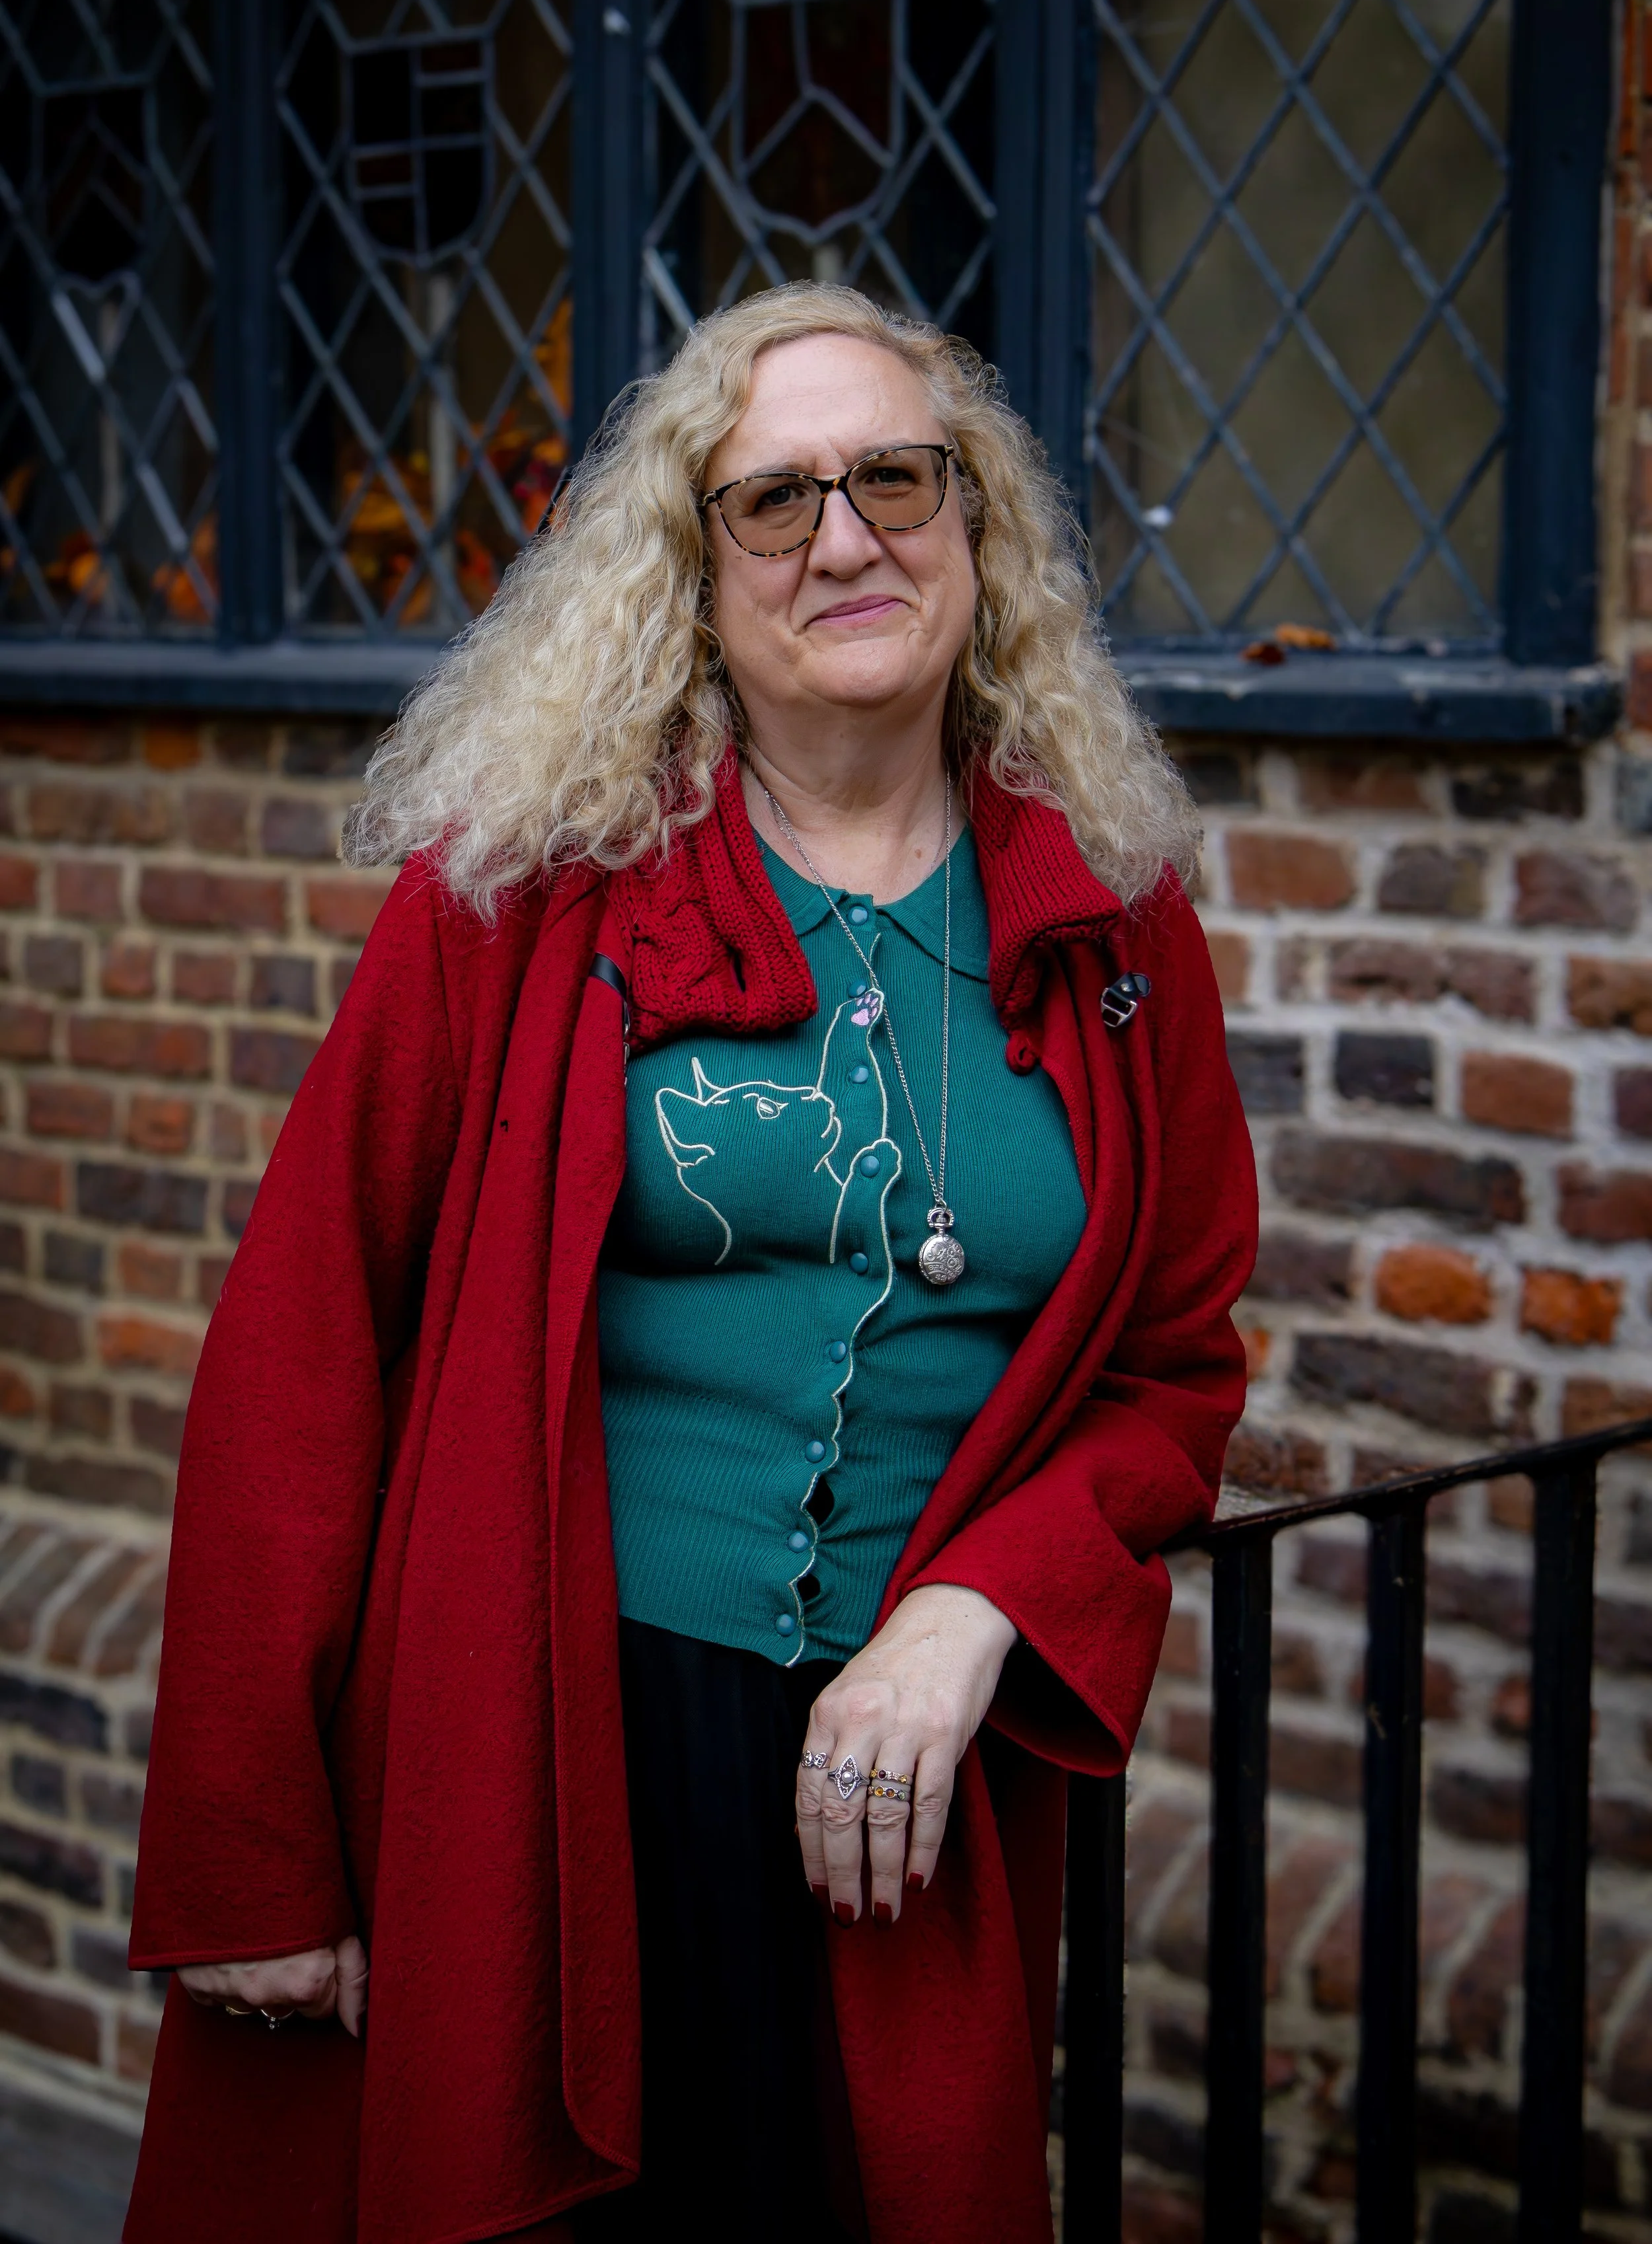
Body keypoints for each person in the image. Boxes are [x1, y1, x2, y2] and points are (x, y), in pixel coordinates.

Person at [125, 283, 1256, 2244]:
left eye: (897, 479)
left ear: (977, 535)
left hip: (905, 1791)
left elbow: (1173, 1363)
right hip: (551, 1740)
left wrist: (981, 1602)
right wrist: (256, 1851)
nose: (844, 538)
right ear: (691, 571)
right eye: (772, 500)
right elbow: (303, 1350)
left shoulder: (1115, 920)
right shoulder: (522, 888)